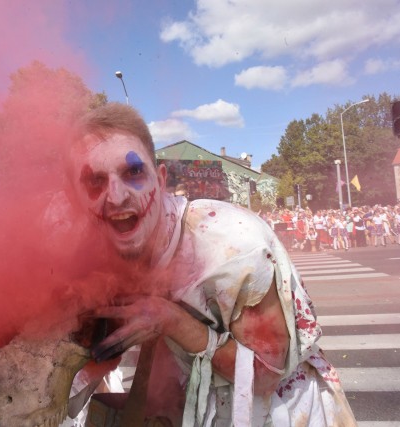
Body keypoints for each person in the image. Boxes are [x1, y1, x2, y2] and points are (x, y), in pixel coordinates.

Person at [66, 103, 355, 425]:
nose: (116, 197)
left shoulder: (232, 247)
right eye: (95, 181)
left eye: (133, 172)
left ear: (160, 180)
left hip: (274, 412)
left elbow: (267, 376)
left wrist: (173, 322)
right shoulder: (101, 249)